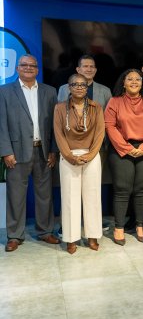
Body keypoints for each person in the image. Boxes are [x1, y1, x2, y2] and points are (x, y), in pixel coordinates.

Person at [0, 54, 60, 252]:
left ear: (37, 69)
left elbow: (55, 125)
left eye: (32, 65)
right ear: (17, 68)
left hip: (43, 151)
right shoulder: (4, 92)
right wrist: (6, 152)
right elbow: (1, 124)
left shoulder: (49, 92)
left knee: (45, 195)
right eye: (24, 65)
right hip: (16, 153)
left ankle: (45, 231)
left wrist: (53, 150)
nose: (28, 68)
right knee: (16, 196)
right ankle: (14, 235)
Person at [104, 69, 143, 245]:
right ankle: (119, 227)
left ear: (142, 83)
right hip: (121, 149)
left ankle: (140, 225)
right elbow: (110, 126)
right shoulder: (115, 101)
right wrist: (127, 148)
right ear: (124, 82)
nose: (134, 82)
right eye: (130, 79)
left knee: (141, 190)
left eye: (138, 79)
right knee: (122, 190)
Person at [54, 74, 105, 254]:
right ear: (69, 87)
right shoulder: (60, 108)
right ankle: (71, 238)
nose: (79, 87)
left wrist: (90, 155)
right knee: (70, 198)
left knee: (93, 197)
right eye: (75, 84)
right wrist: (70, 156)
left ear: (87, 88)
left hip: (91, 156)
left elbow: (100, 133)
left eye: (83, 85)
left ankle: (92, 236)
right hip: (69, 157)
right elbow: (59, 134)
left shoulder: (96, 107)